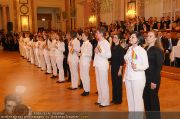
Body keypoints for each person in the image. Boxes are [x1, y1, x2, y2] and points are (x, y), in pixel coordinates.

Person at [124, 32, 149, 114]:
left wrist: (137, 67)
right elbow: (127, 62)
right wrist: (125, 77)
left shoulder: (142, 51)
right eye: (130, 37)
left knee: (137, 99)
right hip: (128, 77)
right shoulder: (129, 49)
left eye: (133, 37)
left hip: (138, 78)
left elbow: (146, 65)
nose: (130, 38)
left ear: (138, 39)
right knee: (130, 99)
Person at [143, 30, 164, 119]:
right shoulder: (144, 49)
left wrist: (154, 82)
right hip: (144, 78)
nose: (148, 37)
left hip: (153, 79)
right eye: (147, 36)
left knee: (153, 101)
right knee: (146, 100)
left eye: (150, 36)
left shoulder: (158, 50)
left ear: (155, 38)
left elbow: (159, 67)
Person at [93, 27, 111, 107]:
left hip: (103, 65)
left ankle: (105, 101)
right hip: (98, 64)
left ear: (101, 34)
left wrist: (99, 52)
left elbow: (109, 55)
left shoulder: (106, 43)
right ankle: (100, 99)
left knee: (103, 83)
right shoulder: (99, 42)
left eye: (97, 33)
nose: (96, 34)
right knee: (99, 83)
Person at [111, 34, 125, 104]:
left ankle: (119, 99)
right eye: (113, 37)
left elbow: (122, 61)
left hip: (118, 68)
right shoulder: (113, 47)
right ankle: (114, 98)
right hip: (113, 67)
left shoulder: (120, 48)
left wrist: (120, 70)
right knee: (114, 83)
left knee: (118, 84)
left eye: (115, 37)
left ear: (119, 40)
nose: (114, 38)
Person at [79, 31, 92, 96]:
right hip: (82, 61)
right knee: (82, 75)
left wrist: (82, 54)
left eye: (83, 35)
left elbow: (90, 54)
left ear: (87, 36)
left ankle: (87, 90)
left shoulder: (89, 44)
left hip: (86, 62)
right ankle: (85, 89)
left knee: (86, 76)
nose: (82, 37)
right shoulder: (83, 43)